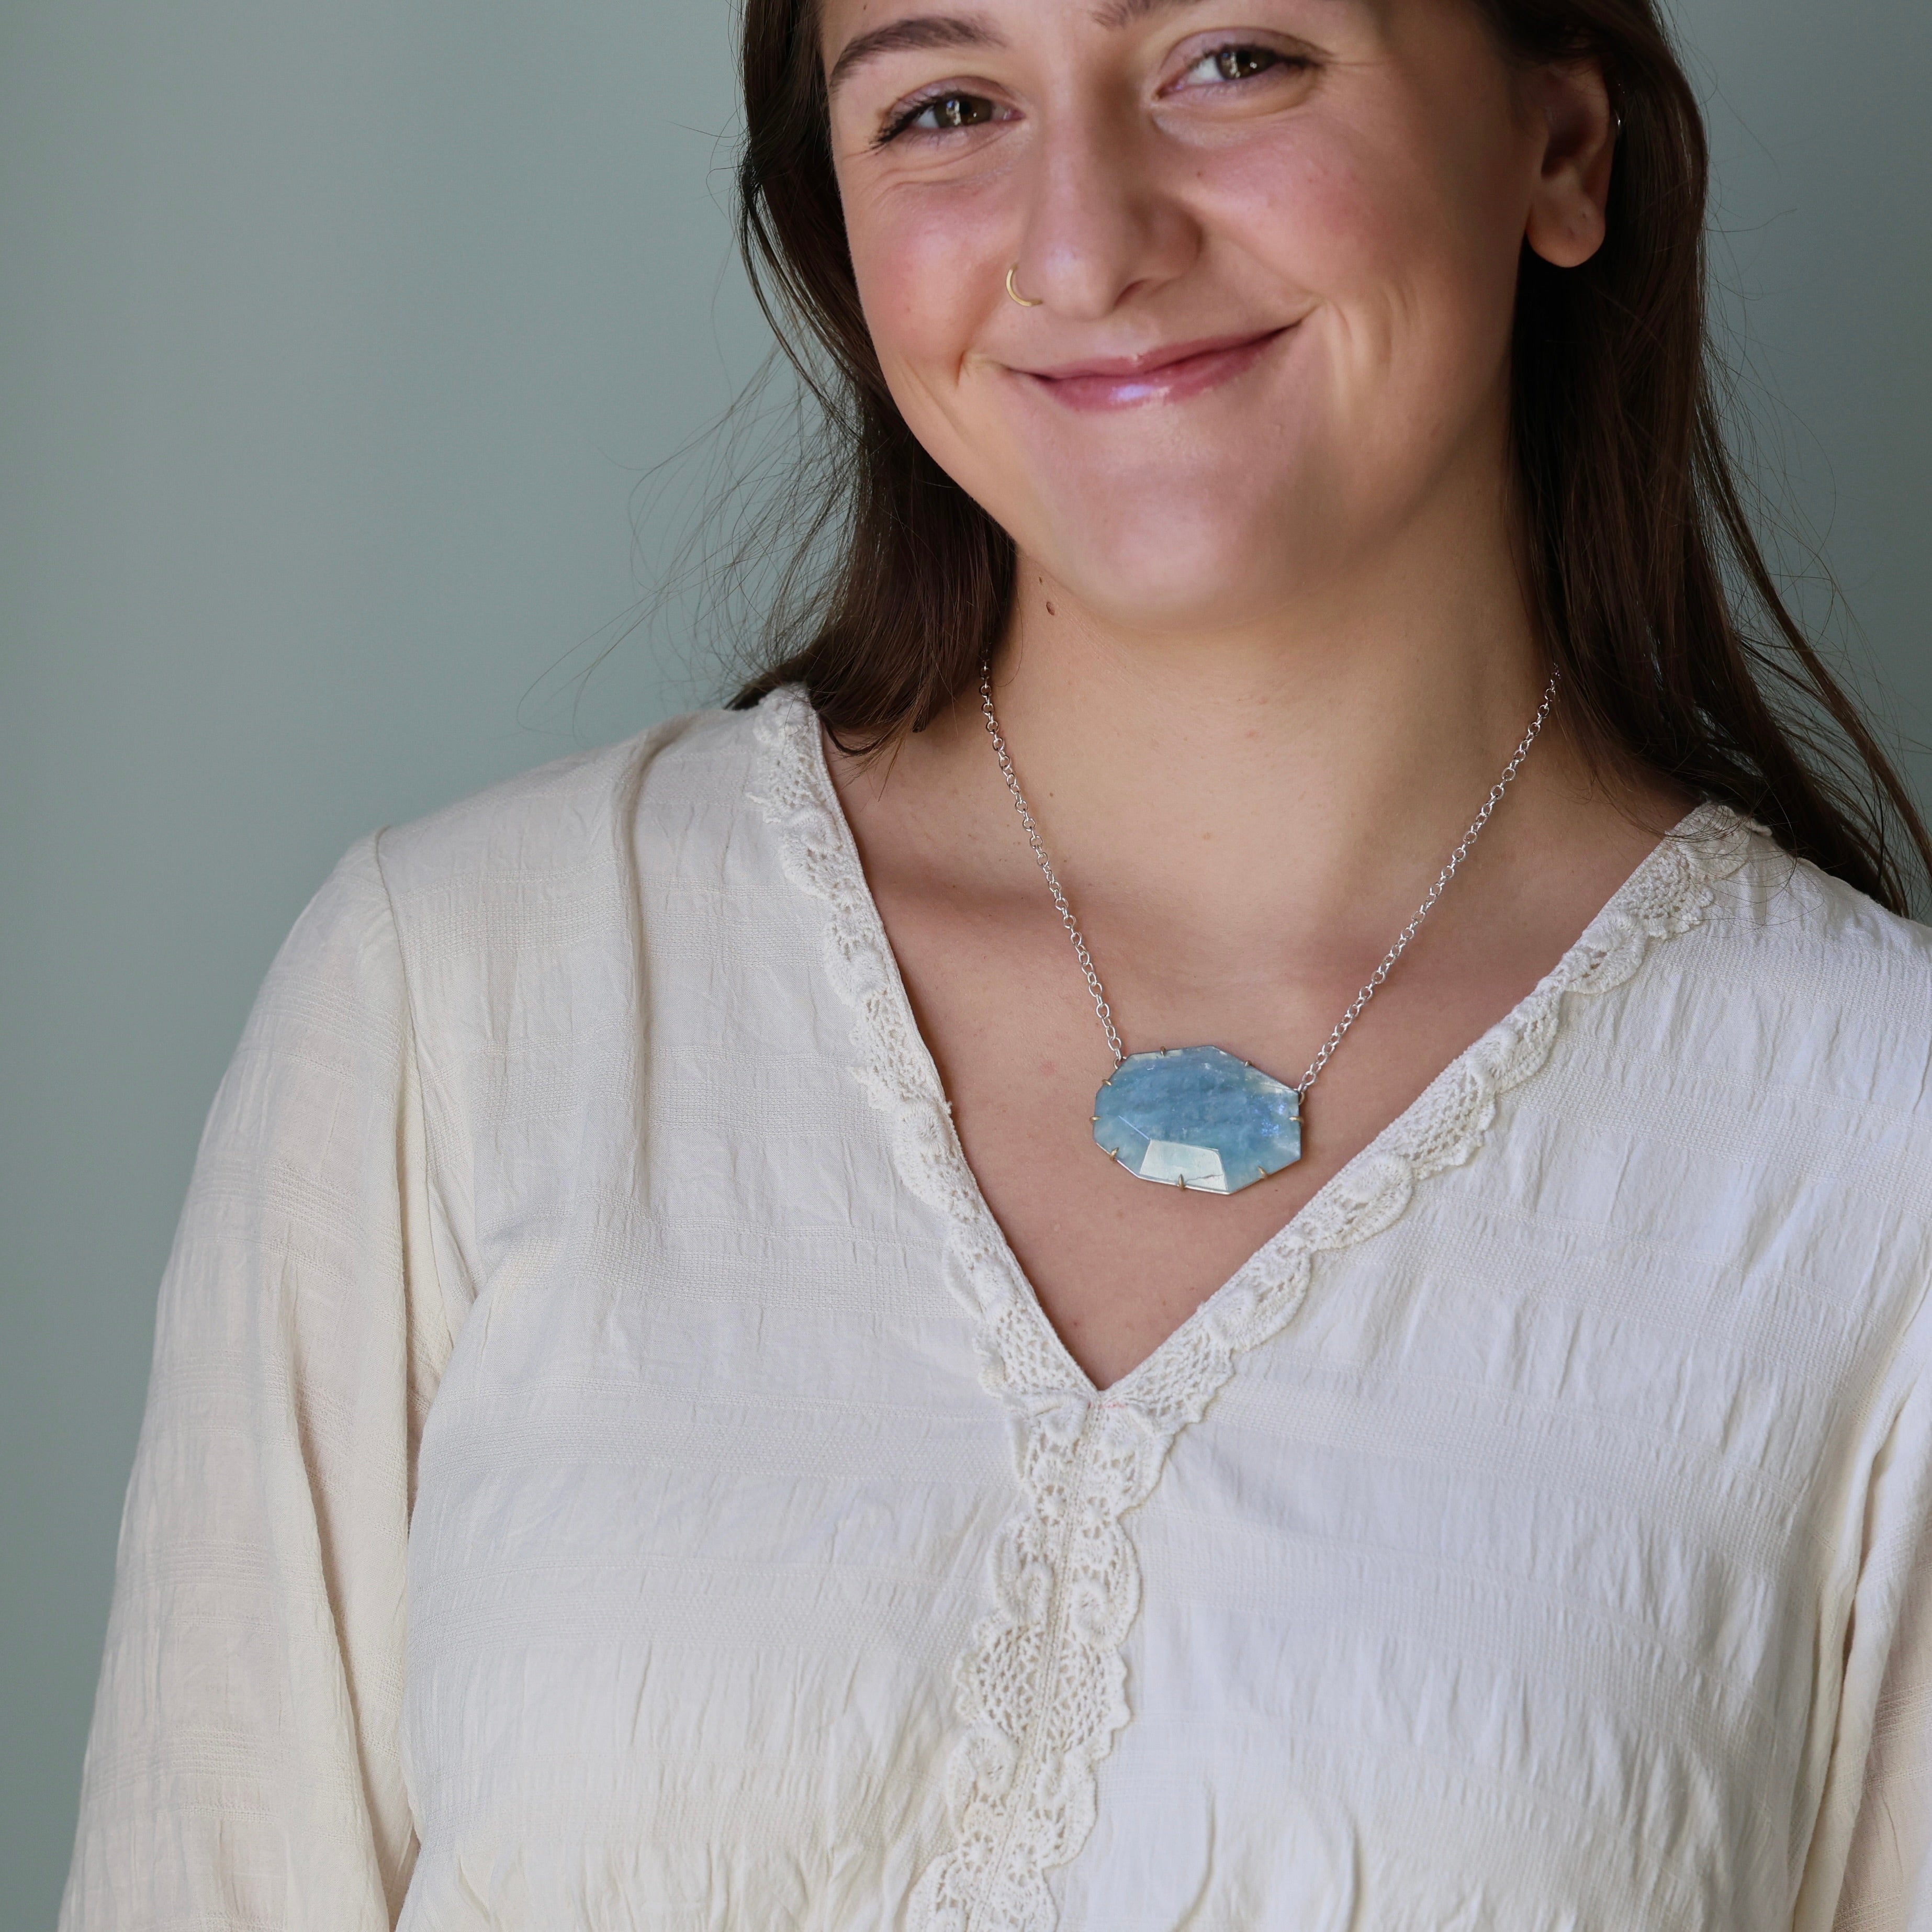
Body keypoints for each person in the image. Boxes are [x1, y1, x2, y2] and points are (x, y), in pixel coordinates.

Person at [60, 0, 1932, 1925]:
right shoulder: (462, 997)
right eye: (947, 105)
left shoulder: (1879, 1144)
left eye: (1236, 57)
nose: (1082, 245)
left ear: (1559, 145)